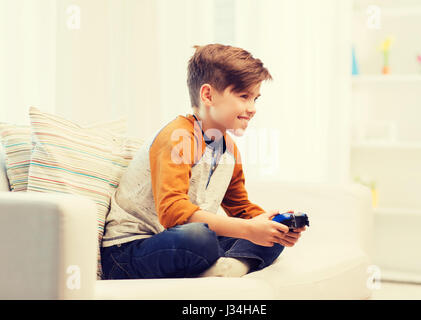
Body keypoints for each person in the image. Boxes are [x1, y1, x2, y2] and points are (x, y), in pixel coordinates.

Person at [100, 43, 307, 279]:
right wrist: (249, 229)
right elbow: (173, 213)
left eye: (255, 99)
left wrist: (271, 224)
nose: (252, 108)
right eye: (243, 96)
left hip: (180, 244)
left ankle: (226, 269)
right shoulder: (178, 137)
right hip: (128, 252)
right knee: (199, 237)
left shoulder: (229, 149)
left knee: (270, 238)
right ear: (208, 95)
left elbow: (240, 208)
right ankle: (220, 264)